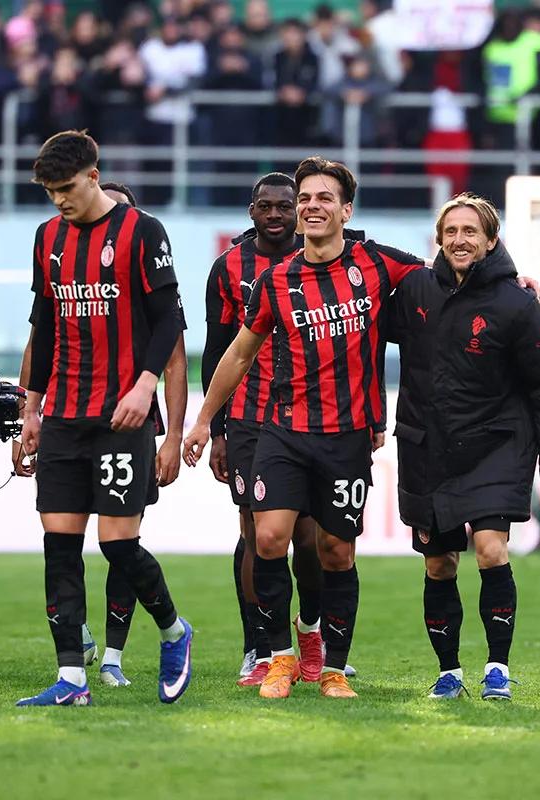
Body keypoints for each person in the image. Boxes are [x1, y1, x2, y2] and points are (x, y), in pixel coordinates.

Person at [183, 156, 425, 700]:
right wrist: (204, 421)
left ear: (346, 210)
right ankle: (277, 658)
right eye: (307, 198)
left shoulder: (376, 262)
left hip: (346, 435)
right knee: (267, 538)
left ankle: (332, 667)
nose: (313, 207)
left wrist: (507, 275)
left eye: (324, 198)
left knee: (335, 551)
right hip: (282, 430)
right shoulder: (276, 279)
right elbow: (238, 353)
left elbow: (446, 273)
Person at [14, 131, 193, 707]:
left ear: (94, 175)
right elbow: (45, 325)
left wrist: (145, 385)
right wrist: (32, 408)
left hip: (122, 415)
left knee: (118, 545)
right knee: (60, 546)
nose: (59, 200)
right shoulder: (47, 237)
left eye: (66, 188)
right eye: (50, 191)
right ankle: (71, 679)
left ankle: (174, 631)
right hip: (64, 415)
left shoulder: (143, 231)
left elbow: (168, 321)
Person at [386, 193, 540, 700]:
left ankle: (497, 668)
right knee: (439, 564)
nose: (459, 240)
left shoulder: (516, 303)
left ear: (491, 240)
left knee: (491, 549)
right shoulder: (415, 290)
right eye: (450, 231)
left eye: (470, 231)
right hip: (427, 447)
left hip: (496, 444)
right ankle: (449, 672)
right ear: (438, 240)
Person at [201, 173, 331, 687]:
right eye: (266, 206)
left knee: (310, 537)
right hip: (250, 419)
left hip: (313, 414)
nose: (275, 214)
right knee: (255, 534)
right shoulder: (229, 267)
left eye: (284, 206)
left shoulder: (322, 257)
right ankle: (259, 647)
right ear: (251, 211)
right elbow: (218, 350)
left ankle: (312, 632)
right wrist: (215, 430)